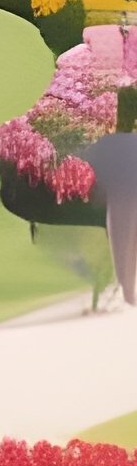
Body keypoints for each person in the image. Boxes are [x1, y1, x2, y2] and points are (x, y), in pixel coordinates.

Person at [82, 87, 137, 305]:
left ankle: (127, 292)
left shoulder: (108, 143)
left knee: (121, 243)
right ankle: (129, 293)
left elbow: (99, 178)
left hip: (116, 203)